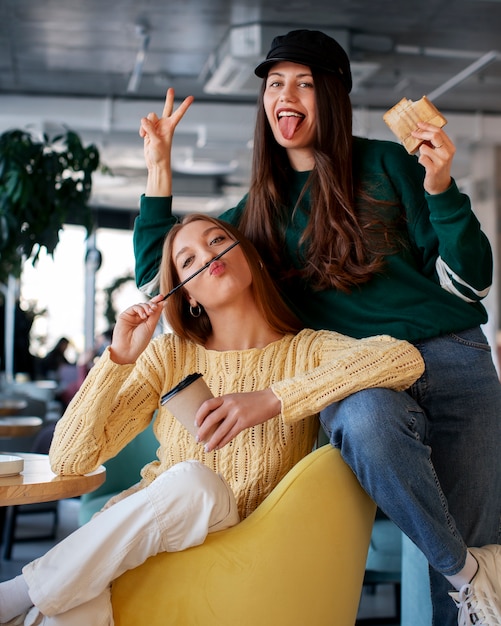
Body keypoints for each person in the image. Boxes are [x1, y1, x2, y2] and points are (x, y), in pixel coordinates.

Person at [133, 29, 501, 626]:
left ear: (330, 96)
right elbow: (161, 279)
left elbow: (469, 284)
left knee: (474, 584)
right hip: (356, 373)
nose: (288, 95)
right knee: (366, 425)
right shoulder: (256, 214)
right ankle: (467, 571)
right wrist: (158, 168)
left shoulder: (387, 163)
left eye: (304, 83)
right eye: (275, 83)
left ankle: (468, 579)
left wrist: (439, 186)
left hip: (454, 357)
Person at [0, 215, 424, 626]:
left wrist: (273, 398)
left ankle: (18, 593)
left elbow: (404, 358)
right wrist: (118, 359)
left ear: (250, 257)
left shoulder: (305, 351)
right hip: (142, 539)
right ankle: (26, 596)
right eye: (187, 260)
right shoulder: (170, 354)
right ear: (188, 296)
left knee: (196, 482)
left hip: (239, 538)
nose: (206, 254)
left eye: (217, 240)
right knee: (67, 613)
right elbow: (70, 458)